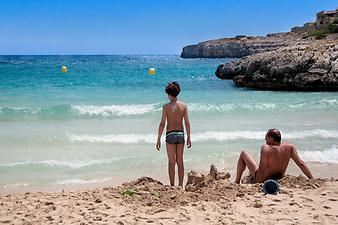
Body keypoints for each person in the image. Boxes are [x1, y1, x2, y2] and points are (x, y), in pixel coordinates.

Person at [234, 129, 313, 184]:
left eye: (266, 137)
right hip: (279, 177)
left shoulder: (266, 148)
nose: (265, 139)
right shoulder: (290, 147)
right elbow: (301, 163)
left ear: (271, 139)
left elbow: (262, 170)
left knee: (243, 153)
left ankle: (237, 182)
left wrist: (255, 177)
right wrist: (311, 179)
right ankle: (312, 178)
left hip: (262, 178)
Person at [156, 81, 191, 187]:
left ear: (169, 94)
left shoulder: (166, 107)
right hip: (180, 134)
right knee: (180, 161)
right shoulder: (184, 106)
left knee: (171, 162)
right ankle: (180, 185)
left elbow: (162, 124)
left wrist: (158, 138)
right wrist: (189, 137)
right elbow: (187, 123)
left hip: (170, 134)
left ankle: (172, 185)